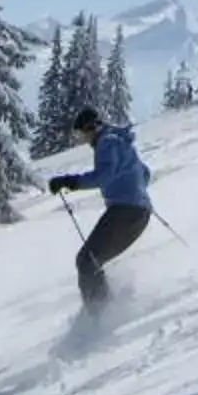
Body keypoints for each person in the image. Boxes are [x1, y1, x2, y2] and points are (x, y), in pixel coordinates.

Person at [46, 105, 152, 310]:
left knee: (87, 261)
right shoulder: (121, 141)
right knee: (91, 261)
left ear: (90, 128)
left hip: (124, 212)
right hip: (140, 213)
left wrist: (70, 181)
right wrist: (134, 191)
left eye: (79, 134)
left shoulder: (106, 142)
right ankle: (106, 308)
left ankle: (99, 314)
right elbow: (145, 173)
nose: (81, 140)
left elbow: (104, 176)